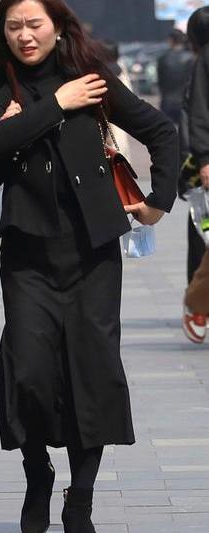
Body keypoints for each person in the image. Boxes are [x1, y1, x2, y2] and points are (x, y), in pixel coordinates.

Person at [0, 0, 178, 531]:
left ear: (58, 26)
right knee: (31, 371)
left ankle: (80, 497)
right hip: (27, 252)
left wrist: (160, 200)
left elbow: (161, 131)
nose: (24, 35)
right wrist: (58, 104)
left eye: (34, 24)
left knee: (93, 372)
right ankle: (37, 473)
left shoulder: (91, 74)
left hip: (93, 253)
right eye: (13, 26)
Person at [182, 6, 209, 343]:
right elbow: (200, 111)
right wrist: (204, 159)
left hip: (194, 159)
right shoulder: (206, 61)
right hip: (201, 162)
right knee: (203, 235)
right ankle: (198, 303)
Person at [158, 28, 195, 126]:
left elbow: (160, 82)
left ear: (171, 40)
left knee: (168, 134)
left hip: (167, 101)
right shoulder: (192, 58)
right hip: (186, 102)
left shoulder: (163, 58)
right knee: (186, 134)